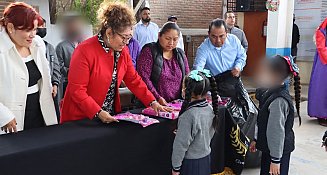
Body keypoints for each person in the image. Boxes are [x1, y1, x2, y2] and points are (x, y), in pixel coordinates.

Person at [60, 2, 170, 124]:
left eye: (129, 38)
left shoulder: (122, 51)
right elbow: (77, 90)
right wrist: (98, 112)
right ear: (109, 33)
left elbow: (133, 80)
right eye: (124, 37)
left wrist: (152, 101)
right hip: (81, 117)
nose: (126, 42)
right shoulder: (84, 50)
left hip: (108, 115)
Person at [0, 2, 58, 134]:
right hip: (12, 118)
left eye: (35, 29)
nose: (33, 34)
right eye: (28, 30)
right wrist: (4, 116)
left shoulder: (38, 43)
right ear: (10, 27)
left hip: (39, 110)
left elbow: (45, 75)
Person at [250, 55, 301, 175]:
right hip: (271, 149)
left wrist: (276, 160)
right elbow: (262, 120)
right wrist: (256, 139)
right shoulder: (270, 91)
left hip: (278, 152)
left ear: (274, 75)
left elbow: (276, 132)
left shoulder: (278, 101)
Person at [171, 69, 219, 175]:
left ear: (186, 90)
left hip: (190, 164)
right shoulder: (210, 109)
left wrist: (175, 168)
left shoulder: (189, 115)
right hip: (205, 159)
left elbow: (180, 145)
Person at [137, 22, 190, 105]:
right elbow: (143, 78)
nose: (171, 43)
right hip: (153, 104)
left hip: (176, 105)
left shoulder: (180, 55)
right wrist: (157, 98)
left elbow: (187, 78)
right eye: (167, 38)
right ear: (159, 35)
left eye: (175, 39)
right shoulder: (149, 51)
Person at [193, 18, 247, 98]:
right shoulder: (203, 48)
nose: (218, 40)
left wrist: (238, 66)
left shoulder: (234, 41)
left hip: (232, 83)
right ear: (209, 34)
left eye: (221, 36)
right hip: (214, 86)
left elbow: (242, 56)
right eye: (214, 37)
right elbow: (198, 69)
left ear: (226, 33)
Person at [36, 18, 61, 121]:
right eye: (40, 26)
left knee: (53, 116)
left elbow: (56, 66)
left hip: (50, 88)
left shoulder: (49, 46)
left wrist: (55, 84)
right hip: (36, 89)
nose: (43, 29)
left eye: (44, 26)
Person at [56, 13, 84, 96]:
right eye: (73, 26)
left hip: (84, 83)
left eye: (77, 25)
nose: (76, 28)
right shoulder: (61, 46)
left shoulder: (84, 44)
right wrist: (72, 73)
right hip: (68, 83)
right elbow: (59, 66)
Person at [308, 18, 327, 126]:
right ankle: (322, 115)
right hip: (324, 64)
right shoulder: (322, 30)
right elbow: (321, 47)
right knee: (322, 89)